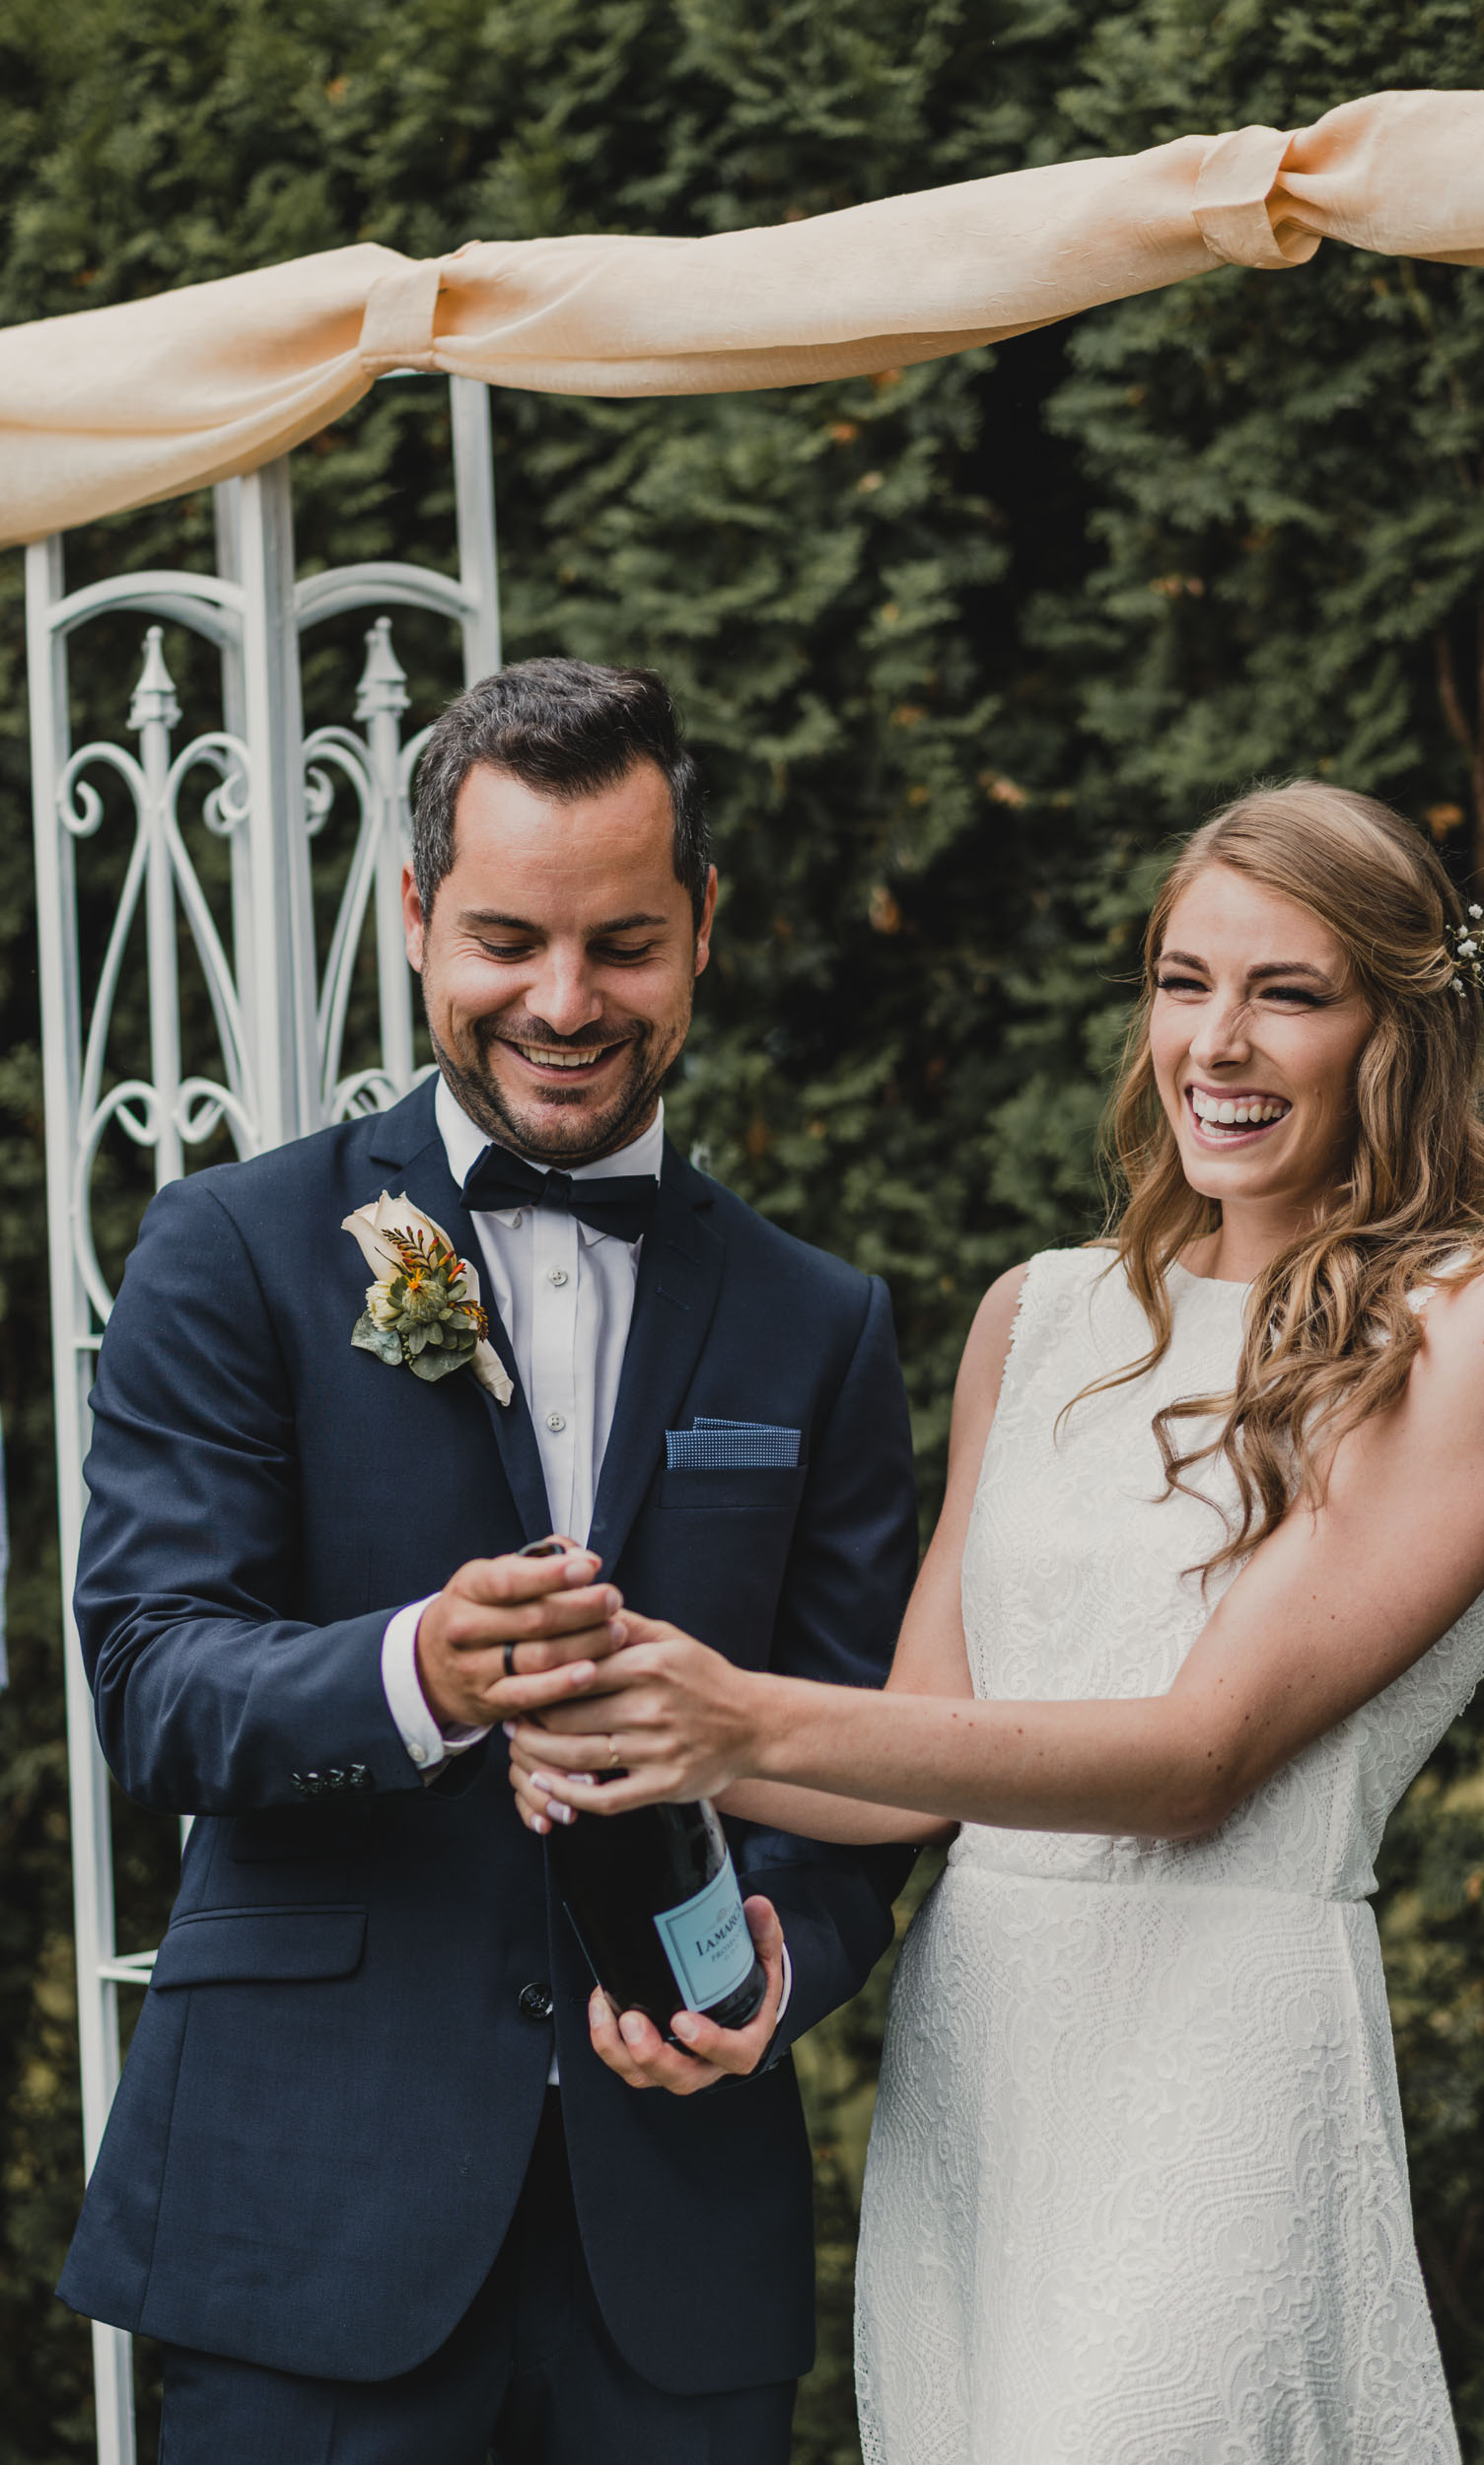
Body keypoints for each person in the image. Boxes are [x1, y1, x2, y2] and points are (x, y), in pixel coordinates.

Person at [506, 781, 1484, 2463]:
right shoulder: (1043, 1315)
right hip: (988, 2072)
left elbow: (1195, 1759)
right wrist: (611, 1719)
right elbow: (913, 1775)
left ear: (1395, 1029)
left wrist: (741, 1720)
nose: (1214, 1044)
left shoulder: (1473, 1326)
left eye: (1284, 993)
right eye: (1179, 980)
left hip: (1218, 2068)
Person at [57, 659, 919, 2464]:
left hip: (671, 2259)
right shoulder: (231, 1249)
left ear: (703, 931)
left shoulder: (819, 1324)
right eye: (508, 939)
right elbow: (151, 1678)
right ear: (418, 920)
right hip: (308, 2226)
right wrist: (415, 1675)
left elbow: (862, 1761)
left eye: (623, 945)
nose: (563, 1000)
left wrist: (780, 1967)